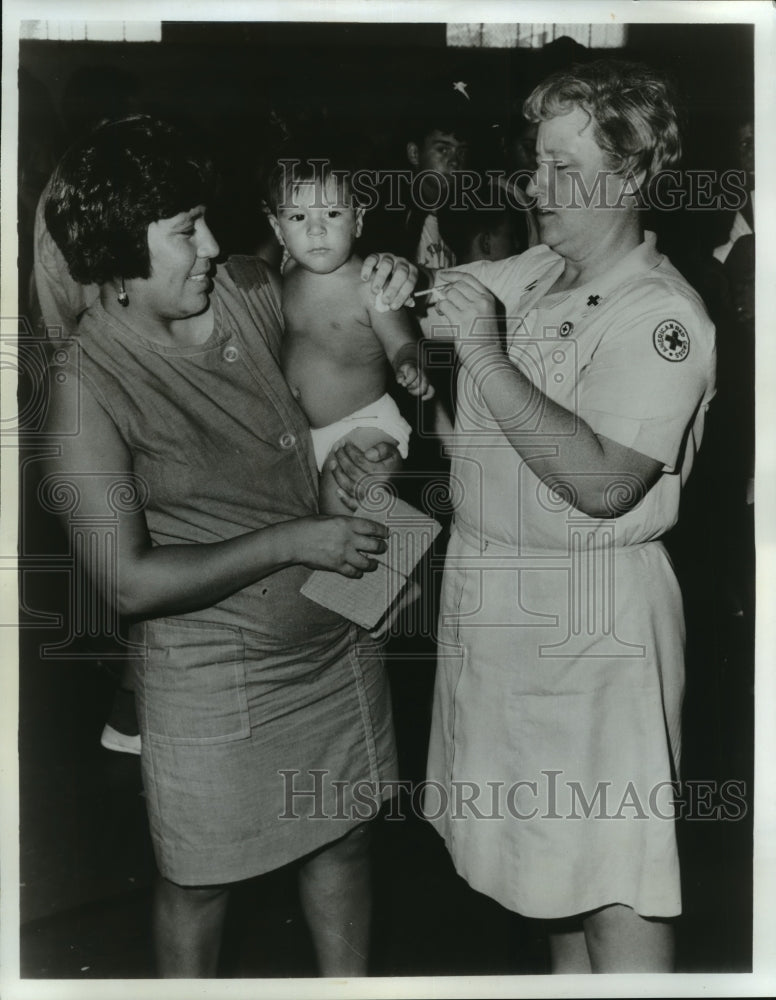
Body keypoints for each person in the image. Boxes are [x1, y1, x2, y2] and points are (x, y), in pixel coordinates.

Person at [351, 59, 716, 972]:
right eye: (534, 161)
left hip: (593, 630)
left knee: (615, 883)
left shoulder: (661, 315)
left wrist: (485, 352)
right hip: (500, 611)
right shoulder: (532, 268)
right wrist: (390, 282)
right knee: (540, 880)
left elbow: (602, 481)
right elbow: (419, 323)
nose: (532, 184)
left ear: (630, 175)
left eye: (562, 166)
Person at [41, 114, 414, 978]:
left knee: (346, 844)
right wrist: (298, 539)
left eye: (208, 220)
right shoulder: (82, 388)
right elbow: (127, 582)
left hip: (337, 640)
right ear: (117, 253)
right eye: (185, 232)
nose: (214, 245)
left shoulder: (247, 288)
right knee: (200, 885)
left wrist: (389, 276)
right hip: (212, 674)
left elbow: (342, 298)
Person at [265, 154, 433, 515]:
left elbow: (403, 340)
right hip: (304, 434)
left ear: (357, 220)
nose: (316, 230)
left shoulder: (368, 285)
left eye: (332, 214)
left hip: (364, 425)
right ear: (278, 230)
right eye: (298, 217)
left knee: (341, 514)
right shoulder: (289, 267)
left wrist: (410, 365)